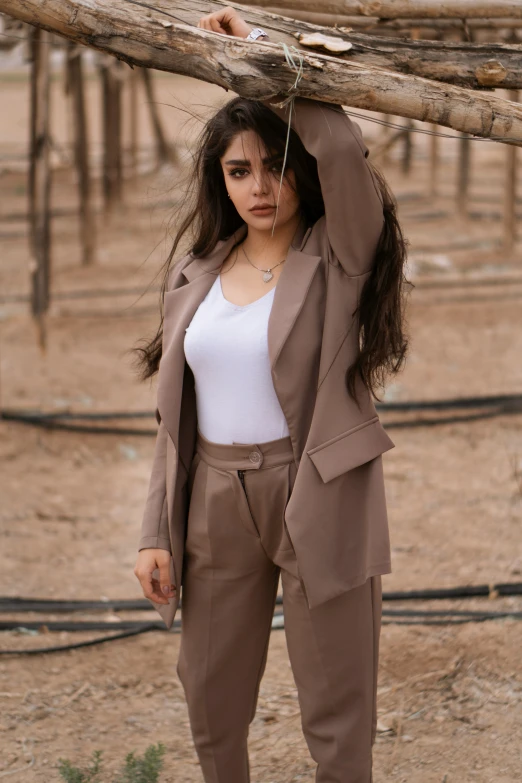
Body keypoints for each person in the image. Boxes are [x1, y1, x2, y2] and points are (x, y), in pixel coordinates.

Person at [133, 7, 410, 782]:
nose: (261, 187)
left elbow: (346, 149)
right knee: (211, 697)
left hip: (315, 486)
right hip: (214, 498)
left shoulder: (339, 259)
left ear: (303, 172)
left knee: (337, 703)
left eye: (278, 166)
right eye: (239, 170)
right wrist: (157, 528)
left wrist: (265, 52)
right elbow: (171, 420)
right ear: (220, 180)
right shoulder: (195, 275)